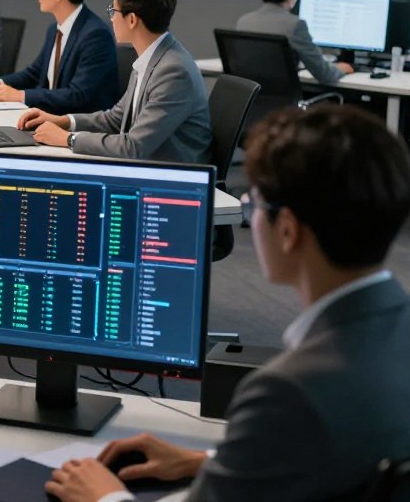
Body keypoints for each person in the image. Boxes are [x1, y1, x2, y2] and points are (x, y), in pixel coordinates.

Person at [44, 105, 410, 502]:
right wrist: (212, 460)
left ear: (287, 230)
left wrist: (105, 496)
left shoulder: (288, 391)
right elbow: (346, 450)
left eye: (253, 203)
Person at [18, 0, 210, 163]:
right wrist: (63, 121)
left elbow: (133, 146)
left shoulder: (173, 72)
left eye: (113, 11)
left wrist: (67, 138)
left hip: (172, 179)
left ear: (132, 19)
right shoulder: (152, 57)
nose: (111, 18)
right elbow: (115, 118)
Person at [237, 0, 353, 85]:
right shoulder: (295, 25)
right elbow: (325, 75)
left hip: (251, 100)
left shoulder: (244, 21)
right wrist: (341, 68)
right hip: (284, 100)